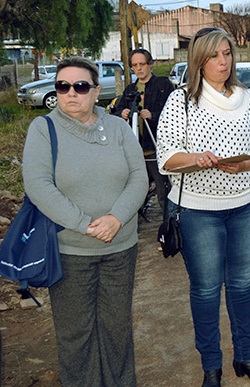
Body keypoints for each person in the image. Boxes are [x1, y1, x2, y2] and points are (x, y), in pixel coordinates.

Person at [157, 27, 250, 387]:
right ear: (198, 60)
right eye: (214, 55)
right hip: (198, 212)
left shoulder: (248, 98)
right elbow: (166, 156)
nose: (222, 62)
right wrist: (196, 159)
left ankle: (246, 357)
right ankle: (212, 366)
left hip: (248, 206)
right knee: (207, 290)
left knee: (241, 286)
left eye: (227, 53)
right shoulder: (180, 101)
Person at [23, 56, 148, 386]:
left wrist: (116, 219)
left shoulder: (118, 128)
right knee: (76, 335)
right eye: (62, 86)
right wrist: (85, 225)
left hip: (120, 249)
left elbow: (139, 177)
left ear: (95, 92)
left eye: (80, 86)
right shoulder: (43, 129)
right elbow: (38, 185)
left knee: (117, 329)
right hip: (70, 252)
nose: (70, 93)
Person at [112, 48, 175, 223]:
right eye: (135, 65)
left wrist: (153, 115)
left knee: (164, 193)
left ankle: (170, 227)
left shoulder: (163, 85)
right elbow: (115, 113)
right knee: (134, 191)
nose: (139, 68)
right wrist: (122, 113)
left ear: (150, 64)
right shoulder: (130, 89)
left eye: (142, 64)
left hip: (156, 149)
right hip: (135, 151)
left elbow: (173, 114)